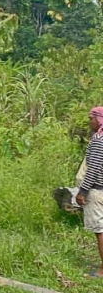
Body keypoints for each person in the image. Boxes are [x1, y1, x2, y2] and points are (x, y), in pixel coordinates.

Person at [76, 107, 103, 277]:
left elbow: (92, 169)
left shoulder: (99, 140)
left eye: (91, 118)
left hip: (98, 192)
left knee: (100, 230)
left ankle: (102, 270)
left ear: (99, 120)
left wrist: (82, 192)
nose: (89, 122)